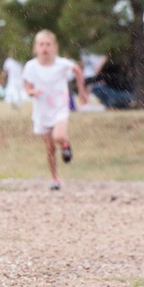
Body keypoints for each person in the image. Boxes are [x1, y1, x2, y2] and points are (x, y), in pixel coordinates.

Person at [22, 30, 88, 191]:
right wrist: (32, 93)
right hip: (42, 110)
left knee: (58, 135)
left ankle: (65, 145)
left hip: (59, 107)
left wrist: (82, 91)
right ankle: (55, 178)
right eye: (41, 44)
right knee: (50, 148)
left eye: (48, 44)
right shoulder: (31, 66)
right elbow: (28, 88)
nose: (45, 48)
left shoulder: (61, 64)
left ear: (55, 47)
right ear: (35, 48)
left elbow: (77, 70)